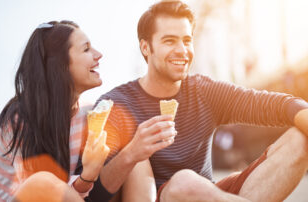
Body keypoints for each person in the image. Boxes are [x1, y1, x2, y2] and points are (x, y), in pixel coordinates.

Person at [85, 1, 308, 202]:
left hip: (212, 196)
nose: (182, 51)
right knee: (184, 182)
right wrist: (132, 152)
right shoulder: (115, 104)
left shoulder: (204, 91)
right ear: (146, 47)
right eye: (169, 41)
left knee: (299, 138)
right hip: (168, 195)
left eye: (187, 40)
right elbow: (94, 194)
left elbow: (275, 106)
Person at [0, 20, 110, 201]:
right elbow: (41, 191)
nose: (99, 55)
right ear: (61, 65)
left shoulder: (88, 114)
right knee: (43, 181)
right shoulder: (20, 118)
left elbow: (67, 192)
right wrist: (87, 176)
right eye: (86, 49)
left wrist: (89, 175)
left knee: (131, 155)